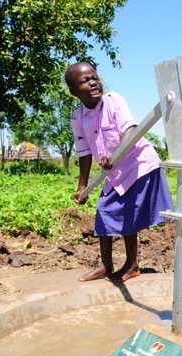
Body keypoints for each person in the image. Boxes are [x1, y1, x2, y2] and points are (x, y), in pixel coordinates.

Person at [65, 62, 174, 284]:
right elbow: (84, 152)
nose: (93, 82)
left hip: (137, 165)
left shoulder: (113, 100)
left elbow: (129, 130)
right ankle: (106, 264)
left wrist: (114, 155)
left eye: (95, 77)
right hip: (112, 172)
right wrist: (81, 186)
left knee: (127, 215)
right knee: (103, 211)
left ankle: (132, 265)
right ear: (74, 91)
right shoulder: (77, 118)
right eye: (85, 81)